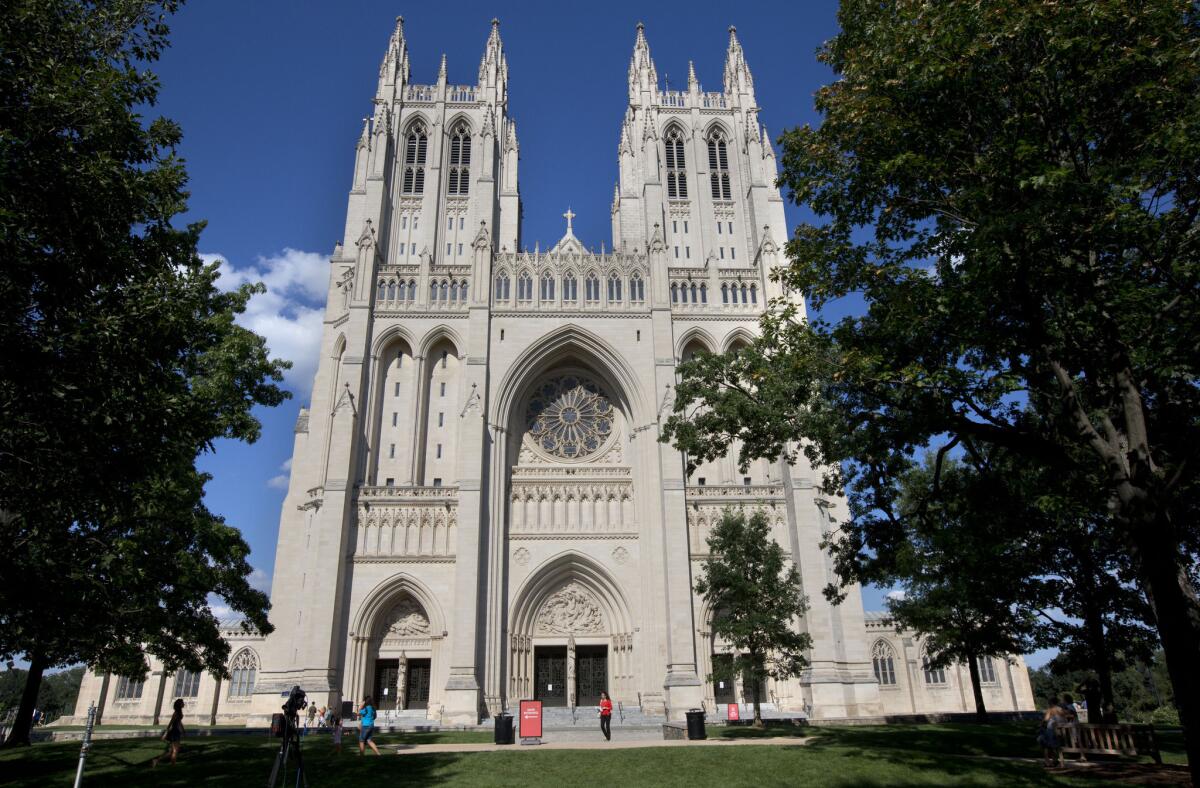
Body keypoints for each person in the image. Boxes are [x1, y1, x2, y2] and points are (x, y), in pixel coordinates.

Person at [152, 698, 185, 767]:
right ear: (179, 704)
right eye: (182, 703)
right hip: (175, 732)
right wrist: (165, 733)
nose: (183, 704)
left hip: (176, 732)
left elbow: (179, 722)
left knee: (171, 752)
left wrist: (182, 729)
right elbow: (171, 723)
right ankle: (173, 766)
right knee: (175, 750)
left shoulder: (179, 712)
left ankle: (156, 760)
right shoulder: (176, 713)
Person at [1037, 697, 1069, 768]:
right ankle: (1054, 760)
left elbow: (1045, 720)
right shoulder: (1063, 710)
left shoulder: (1051, 710)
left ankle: (1047, 762)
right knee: (1050, 740)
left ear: (1051, 703)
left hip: (1053, 735)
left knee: (1042, 740)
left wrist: (1040, 725)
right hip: (1063, 735)